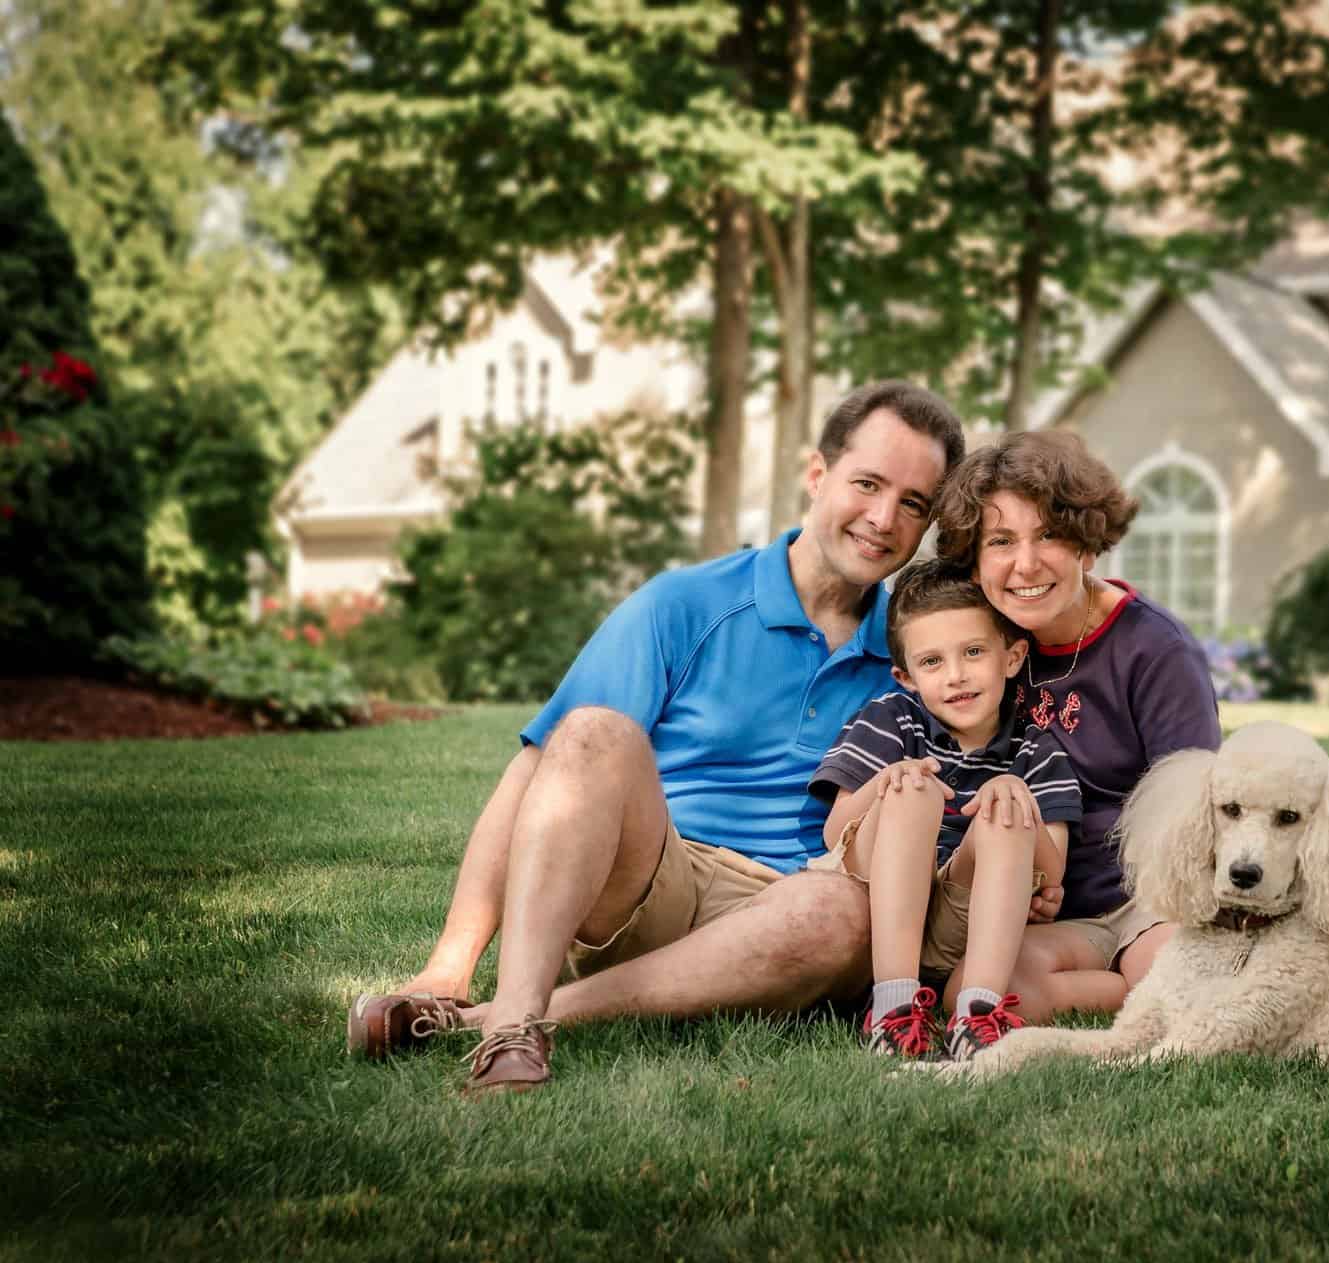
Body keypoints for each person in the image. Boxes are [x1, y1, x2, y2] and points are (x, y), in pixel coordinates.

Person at [345, 380, 966, 1095]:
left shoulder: (918, 652)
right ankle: (509, 1024)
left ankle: (490, 1020)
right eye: (867, 483)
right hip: (652, 878)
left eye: (913, 503)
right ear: (817, 474)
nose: (884, 517)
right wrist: (444, 968)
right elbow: (541, 773)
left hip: (794, 910)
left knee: (838, 910)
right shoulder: (685, 602)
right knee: (591, 730)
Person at [931, 429, 1222, 1021]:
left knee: (1174, 985)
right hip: (1042, 915)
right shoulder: (979, 648)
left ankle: (1135, 981)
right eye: (1001, 541)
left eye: (1050, 536)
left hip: (1144, 902)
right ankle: (1111, 994)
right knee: (972, 996)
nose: (1026, 564)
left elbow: (1199, 814)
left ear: (1087, 545)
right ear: (974, 558)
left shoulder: (1155, 651)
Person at [806, 562, 1081, 1062]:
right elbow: (834, 835)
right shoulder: (889, 720)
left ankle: (979, 1014)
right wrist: (886, 785)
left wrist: (1014, 794)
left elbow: (1053, 871)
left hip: (966, 921)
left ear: (1013, 657)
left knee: (1002, 805)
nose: (956, 676)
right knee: (914, 789)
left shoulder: (1037, 750)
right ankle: (892, 1011)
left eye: (973, 652)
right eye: (932, 662)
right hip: (873, 905)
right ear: (905, 676)